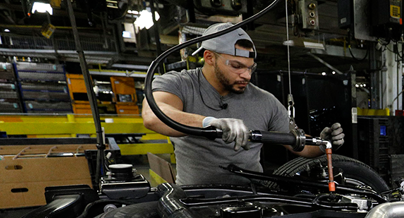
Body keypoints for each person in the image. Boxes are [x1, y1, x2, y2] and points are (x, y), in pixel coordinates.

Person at [142, 23, 344, 186]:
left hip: (252, 198)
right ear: (209, 57)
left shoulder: (265, 101)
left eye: (250, 68)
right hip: (194, 200)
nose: (246, 76)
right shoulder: (179, 84)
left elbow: (299, 145)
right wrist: (209, 122)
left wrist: (323, 143)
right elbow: (154, 115)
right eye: (237, 66)